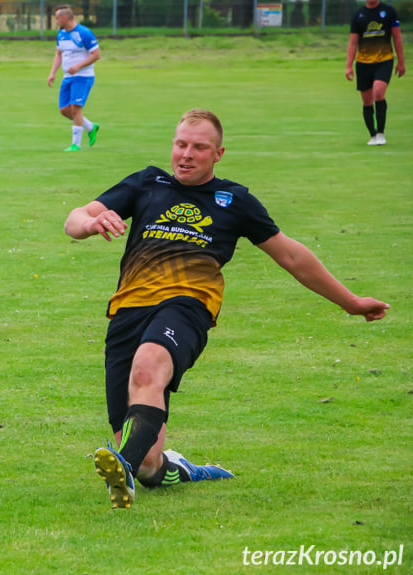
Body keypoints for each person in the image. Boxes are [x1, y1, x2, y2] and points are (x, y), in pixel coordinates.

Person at [64, 109, 389, 509]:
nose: (186, 154)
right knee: (151, 464)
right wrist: (90, 224)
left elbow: (291, 256)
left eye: (198, 148)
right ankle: (166, 467)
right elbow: (75, 218)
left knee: (149, 366)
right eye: (180, 144)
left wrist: (352, 303)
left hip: (187, 305)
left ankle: (121, 467)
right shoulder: (147, 182)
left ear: (218, 154)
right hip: (127, 312)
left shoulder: (234, 200)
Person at [345, 0, 405, 146]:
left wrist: (401, 62)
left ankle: (381, 133)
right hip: (363, 63)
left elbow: (397, 38)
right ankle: (372, 135)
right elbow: (353, 42)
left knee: (378, 92)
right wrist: (349, 66)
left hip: (384, 61)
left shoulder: (389, 12)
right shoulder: (358, 15)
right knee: (366, 101)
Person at [46, 5, 100, 152]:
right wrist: (52, 73)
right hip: (67, 77)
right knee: (64, 110)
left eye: (57, 18)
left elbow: (96, 55)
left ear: (65, 18)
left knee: (75, 109)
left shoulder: (84, 33)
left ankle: (75, 144)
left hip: (83, 76)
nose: (56, 21)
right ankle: (90, 126)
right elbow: (59, 54)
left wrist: (78, 66)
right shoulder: (61, 34)